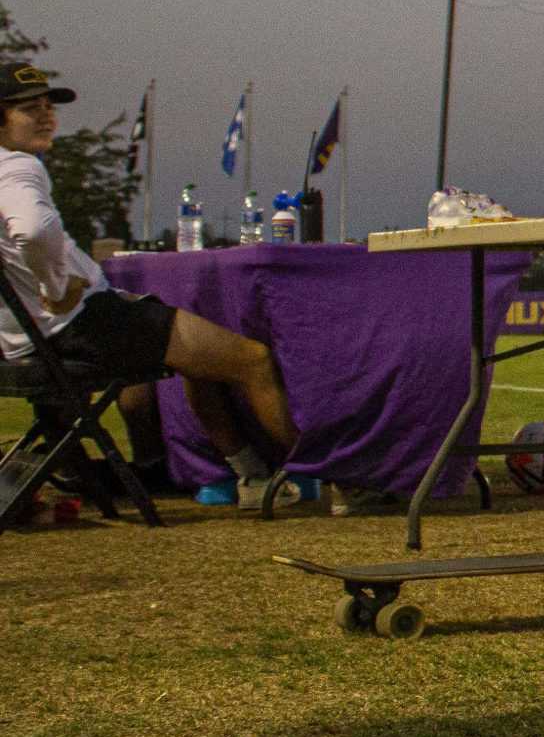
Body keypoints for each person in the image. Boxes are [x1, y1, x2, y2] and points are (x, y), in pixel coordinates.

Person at [2, 61, 312, 508]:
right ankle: (315, 475)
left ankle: (243, 473)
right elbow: (32, 230)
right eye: (30, 109)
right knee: (253, 359)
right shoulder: (17, 168)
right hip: (81, 325)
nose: (47, 116)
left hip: (27, 338)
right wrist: (57, 284)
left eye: (49, 106)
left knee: (200, 359)